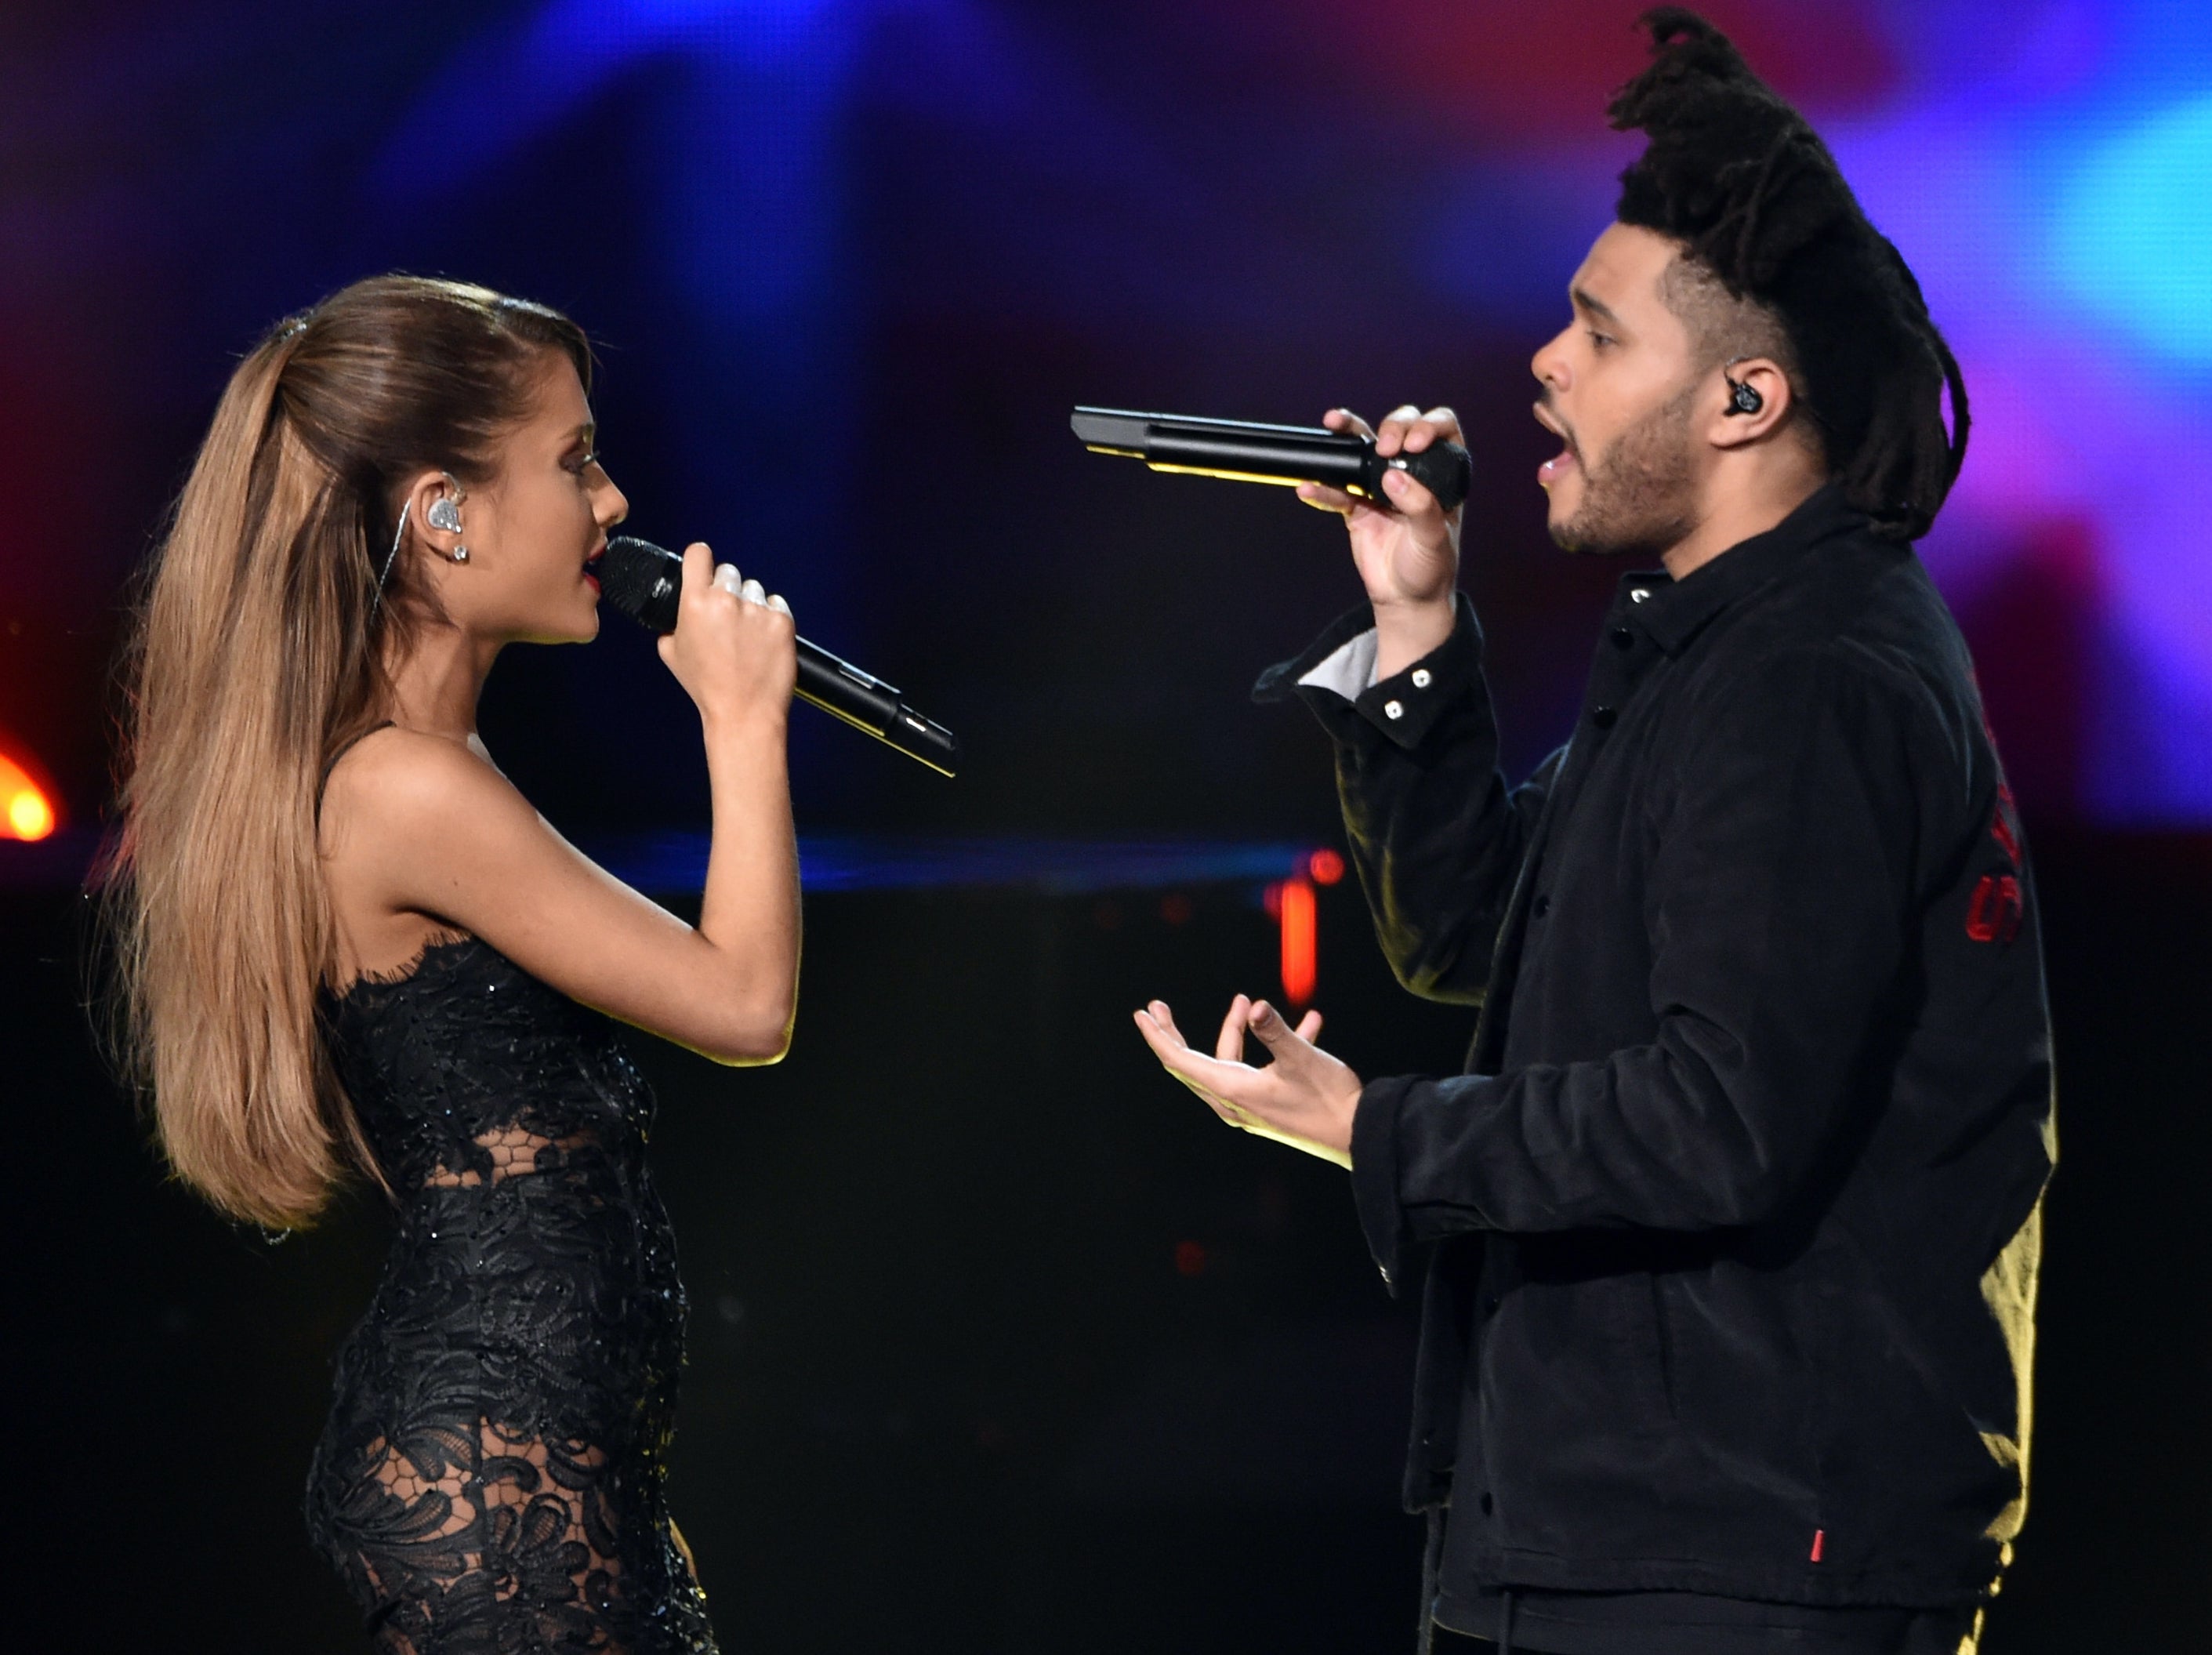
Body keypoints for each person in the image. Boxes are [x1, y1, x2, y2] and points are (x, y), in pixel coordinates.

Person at [1133, 12, 2053, 1654]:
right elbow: (1474, 935)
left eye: (1597, 333)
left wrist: (1377, 1130)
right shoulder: (1718, 651)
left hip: (1745, 1552)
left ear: (1744, 397)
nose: (1543, 364)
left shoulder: (1811, 679)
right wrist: (1416, 619)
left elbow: (1719, 1117)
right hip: (1626, 1527)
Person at [102, 274, 800, 1652]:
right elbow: (743, 1003)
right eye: (573, 460)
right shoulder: (404, 790)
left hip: (532, 1449)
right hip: (494, 1459)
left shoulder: (421, 770)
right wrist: (742, 722)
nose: (611, 503)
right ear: (444, 511)